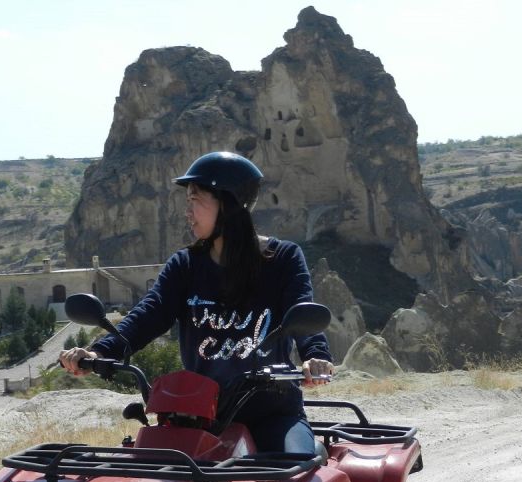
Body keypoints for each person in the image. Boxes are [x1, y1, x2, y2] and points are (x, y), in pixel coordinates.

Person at [59, 151, 333, 454]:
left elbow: (302, 312)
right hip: (197, 415)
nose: (187, 212)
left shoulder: (282, 259)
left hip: (271, 413)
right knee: (152, 481)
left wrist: (315, 356)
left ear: (228, 205)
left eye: (195, 201)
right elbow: (150, 313)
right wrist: (99, 351)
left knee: (293, 471)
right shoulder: (185, 265)